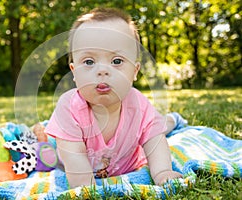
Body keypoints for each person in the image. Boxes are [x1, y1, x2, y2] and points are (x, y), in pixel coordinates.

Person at [40, 7, 185, 189]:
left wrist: (163, 172)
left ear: (134, 71)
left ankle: (172, 120)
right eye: (89, 62)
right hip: (74, 158)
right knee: (46, 145)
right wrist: (87, 188)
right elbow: (76, 166)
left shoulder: (139, 105)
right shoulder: (69, 107)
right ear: (74, 72)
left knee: (159, 127)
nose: (102, 70)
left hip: (127, 162)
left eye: (116, 61)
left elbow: (155, 141)